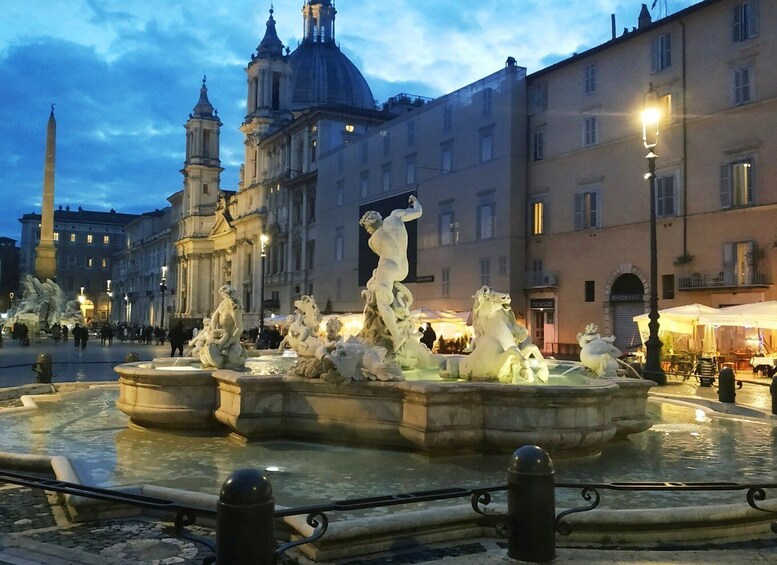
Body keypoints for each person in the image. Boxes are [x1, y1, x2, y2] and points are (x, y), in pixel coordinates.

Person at [359, 194, 422, 351]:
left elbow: (383, 254)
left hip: (387, 267)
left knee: (382, 303)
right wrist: (415, 202)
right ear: (379, 217)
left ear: (369, 226)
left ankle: (397, 335)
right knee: (375, 280)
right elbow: (418, 211)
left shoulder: (372, 240)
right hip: (403, 268)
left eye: (367, 228)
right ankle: (398, 330)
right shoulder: (395, 216)